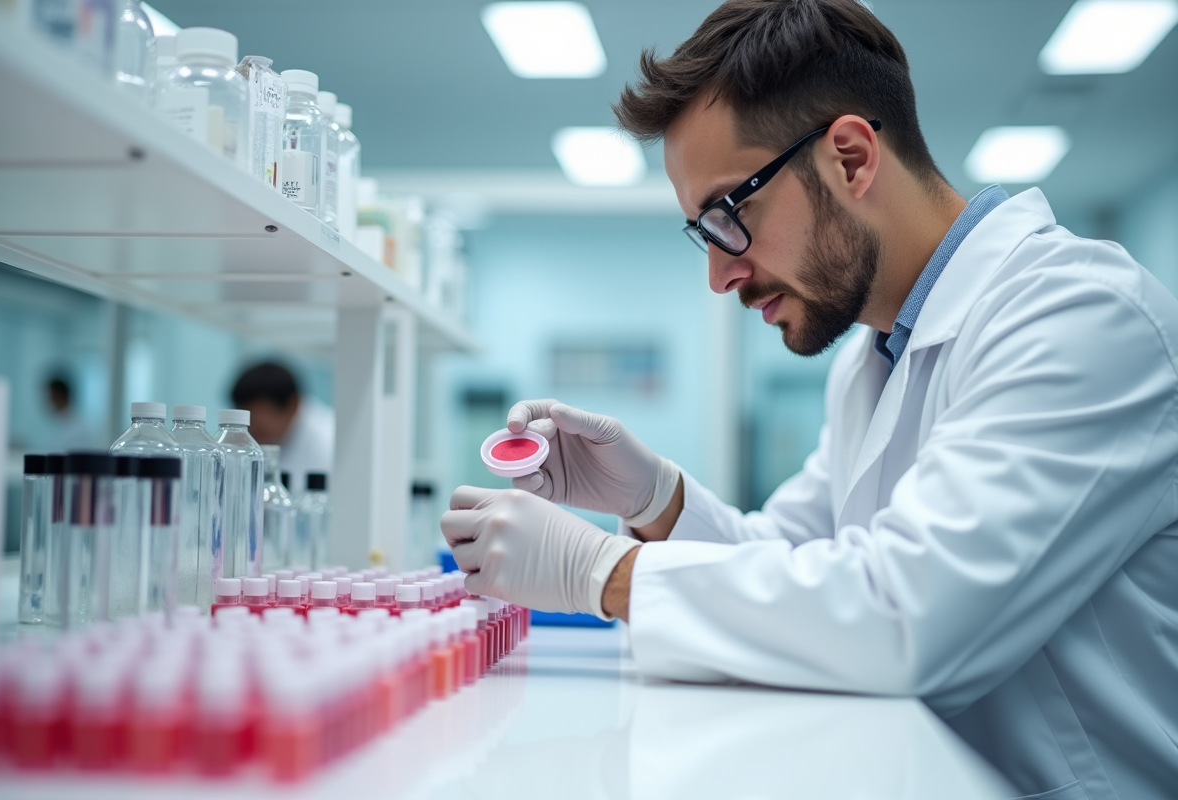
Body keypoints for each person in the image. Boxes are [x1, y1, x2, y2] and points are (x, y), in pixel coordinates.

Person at [440, 1, 1178, 798]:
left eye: (730, 213)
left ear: (853, 158)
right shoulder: (875, 356)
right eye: (703, 232)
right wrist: (655, 500)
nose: (720, 275)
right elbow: (795, 569)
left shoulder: (1081, 316)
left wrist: (605, 573)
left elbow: (905, 619)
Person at [230, 361, 333, 494]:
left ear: (292, 406)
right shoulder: (262, 436)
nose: (253, 435)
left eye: (260, 428)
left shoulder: (329, 442)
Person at [43, 372, 95, 450]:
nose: (48, 401)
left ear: (59, 396)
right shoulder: (60, 423)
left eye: (51, 397)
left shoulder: (77, 429)